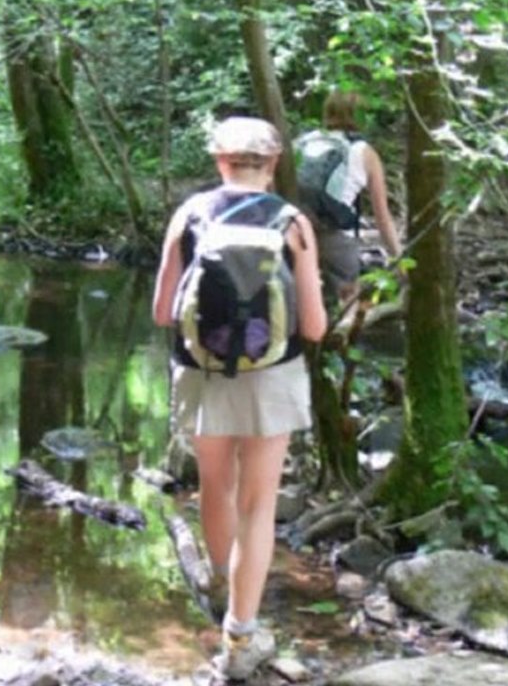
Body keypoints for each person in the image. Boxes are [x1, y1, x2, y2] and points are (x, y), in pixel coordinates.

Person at [152, 116, 327, 681]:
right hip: (272, 376)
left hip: (202, 374)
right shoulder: (293, 222)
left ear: (218, 160)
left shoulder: (190, 215)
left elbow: (162, 313)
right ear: (273, 164)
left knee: (214, 485)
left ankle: (223, 590)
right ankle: (240, 631)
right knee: (259, 503)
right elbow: (317, 328)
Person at [294, 90, 403, 304]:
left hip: (293, 232)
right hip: (335, 239)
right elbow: (383, 218)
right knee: (344, 305)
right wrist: (399, 260)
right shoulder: (365, 152)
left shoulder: (301, 142)